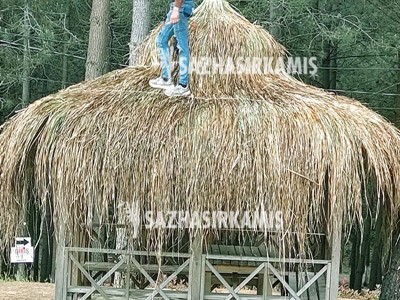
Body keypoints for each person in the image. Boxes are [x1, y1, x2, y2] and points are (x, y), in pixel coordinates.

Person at [149, 0, 194, 97]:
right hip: (177, 8)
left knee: (182, 47)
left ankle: (183, 85)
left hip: (180, 8)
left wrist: (176, 9)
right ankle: (165, 78)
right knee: (161, 40)